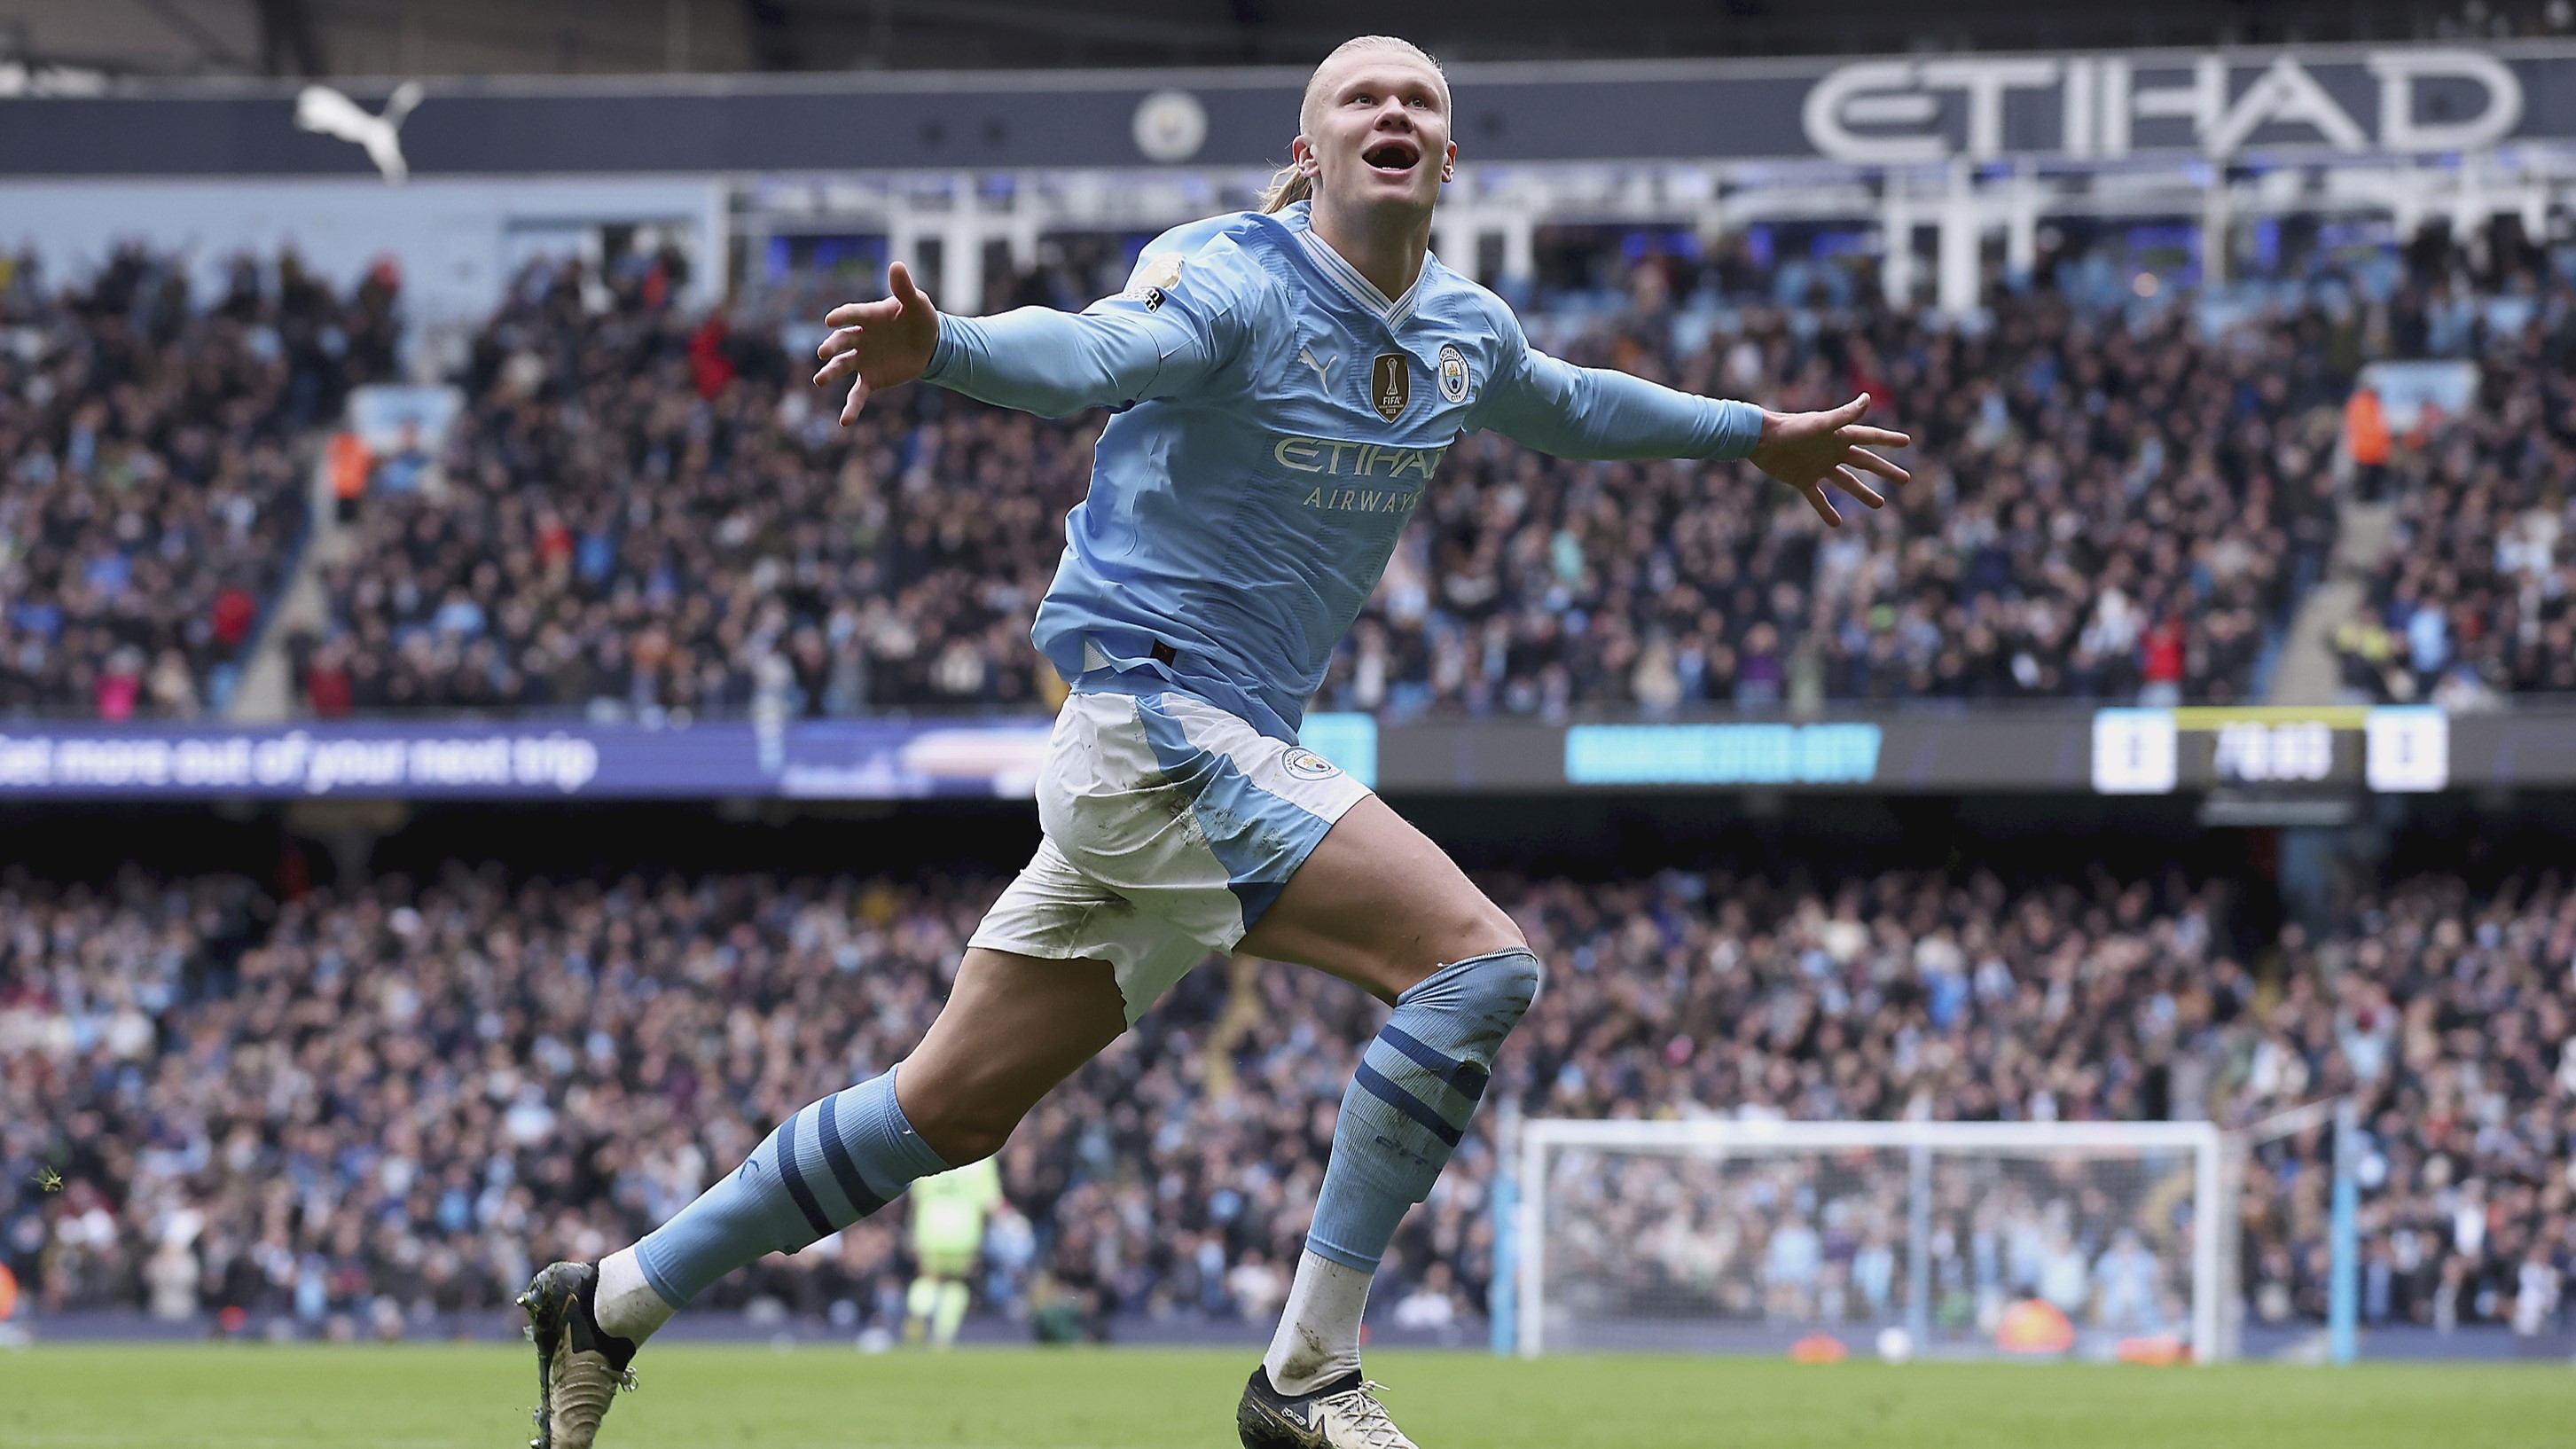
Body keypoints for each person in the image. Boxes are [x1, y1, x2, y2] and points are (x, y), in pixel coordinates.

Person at [517, 33, 1907, 1449]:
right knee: (1474, 963)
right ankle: (1308, 1371)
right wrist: (951, 349)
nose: (1393, 111)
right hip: (1152, 720)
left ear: (1445, 156)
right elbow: (1098, 352)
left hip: (1201, 750)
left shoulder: (1462, 328)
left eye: (1418, 100)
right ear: (1309, 151)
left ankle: (612, 1299)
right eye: (1361, 97)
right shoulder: (1235, 273)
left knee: (944, 1110)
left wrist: (1754, 436)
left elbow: (1569, 403)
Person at [901, 1155, 1004, 1349]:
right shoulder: (982, 1159)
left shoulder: (932, 1145)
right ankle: (942, 1335)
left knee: (928, 1278)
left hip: (930, 1228)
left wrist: (911, 1230)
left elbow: (916, 1197)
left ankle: (918, 1313)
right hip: (964, 1231)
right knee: (957, 1282)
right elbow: (991, 1202)